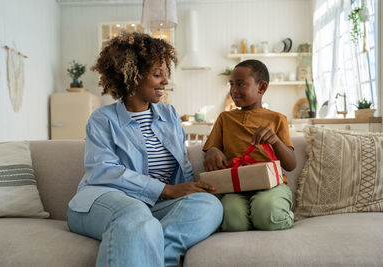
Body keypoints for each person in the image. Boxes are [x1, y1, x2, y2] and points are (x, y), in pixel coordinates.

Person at [67, 32, 223, 267]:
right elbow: (104, 171)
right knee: (133, 214)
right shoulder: (102, 119)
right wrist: (166, 190)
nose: (165, 82)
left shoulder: (169, 115)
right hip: (102, 201)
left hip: (152, 206)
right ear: (132, 76)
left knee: (209, 206)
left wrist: (195, 188)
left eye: (165, 74)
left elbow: (182, 165)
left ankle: (157, 256)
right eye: (157, 74)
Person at [203, 59, 296, 232]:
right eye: (231, 84)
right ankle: (255, 219)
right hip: (236, 187)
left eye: (240, 84)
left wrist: (275, 141)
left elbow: (290, 165)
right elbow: (211, 148)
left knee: (267, 213)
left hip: (271, 186)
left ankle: (281, 215)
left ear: (261, 88)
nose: (234, 90)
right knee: (232, 220)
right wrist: (212, 151)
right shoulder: (225, 119)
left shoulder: (277, 119)